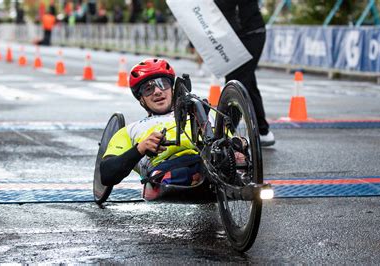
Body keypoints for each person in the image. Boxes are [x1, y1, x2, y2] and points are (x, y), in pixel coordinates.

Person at [100, 58, 203, 188]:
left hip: (209, 161)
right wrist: (140, 148)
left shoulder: (200, 113)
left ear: (173, 89)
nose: (157, 91)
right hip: (168, 169)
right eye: (148, 89)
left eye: (163, 84)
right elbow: (106, 174)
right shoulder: (129, 131)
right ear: (141, 100)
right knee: (175, 173)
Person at [214, 0, 275, 146]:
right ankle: (262, 130)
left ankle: (226, 132)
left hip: (251, 33)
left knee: (237, 80)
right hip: (236, 36)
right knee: (244, 81)